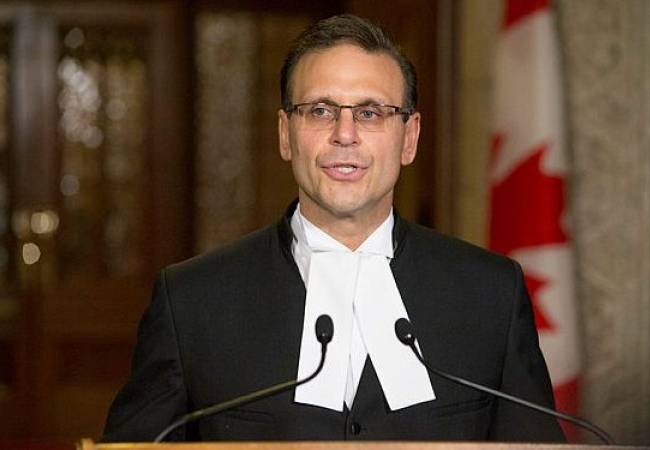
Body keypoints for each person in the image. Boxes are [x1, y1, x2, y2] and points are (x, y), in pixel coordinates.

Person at [102, 14, 565, 442]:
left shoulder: (490, 294)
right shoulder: (192, 301)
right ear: (285, 134)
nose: (345, 134)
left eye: (370, 112)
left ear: (409, 138)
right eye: (320, 110)